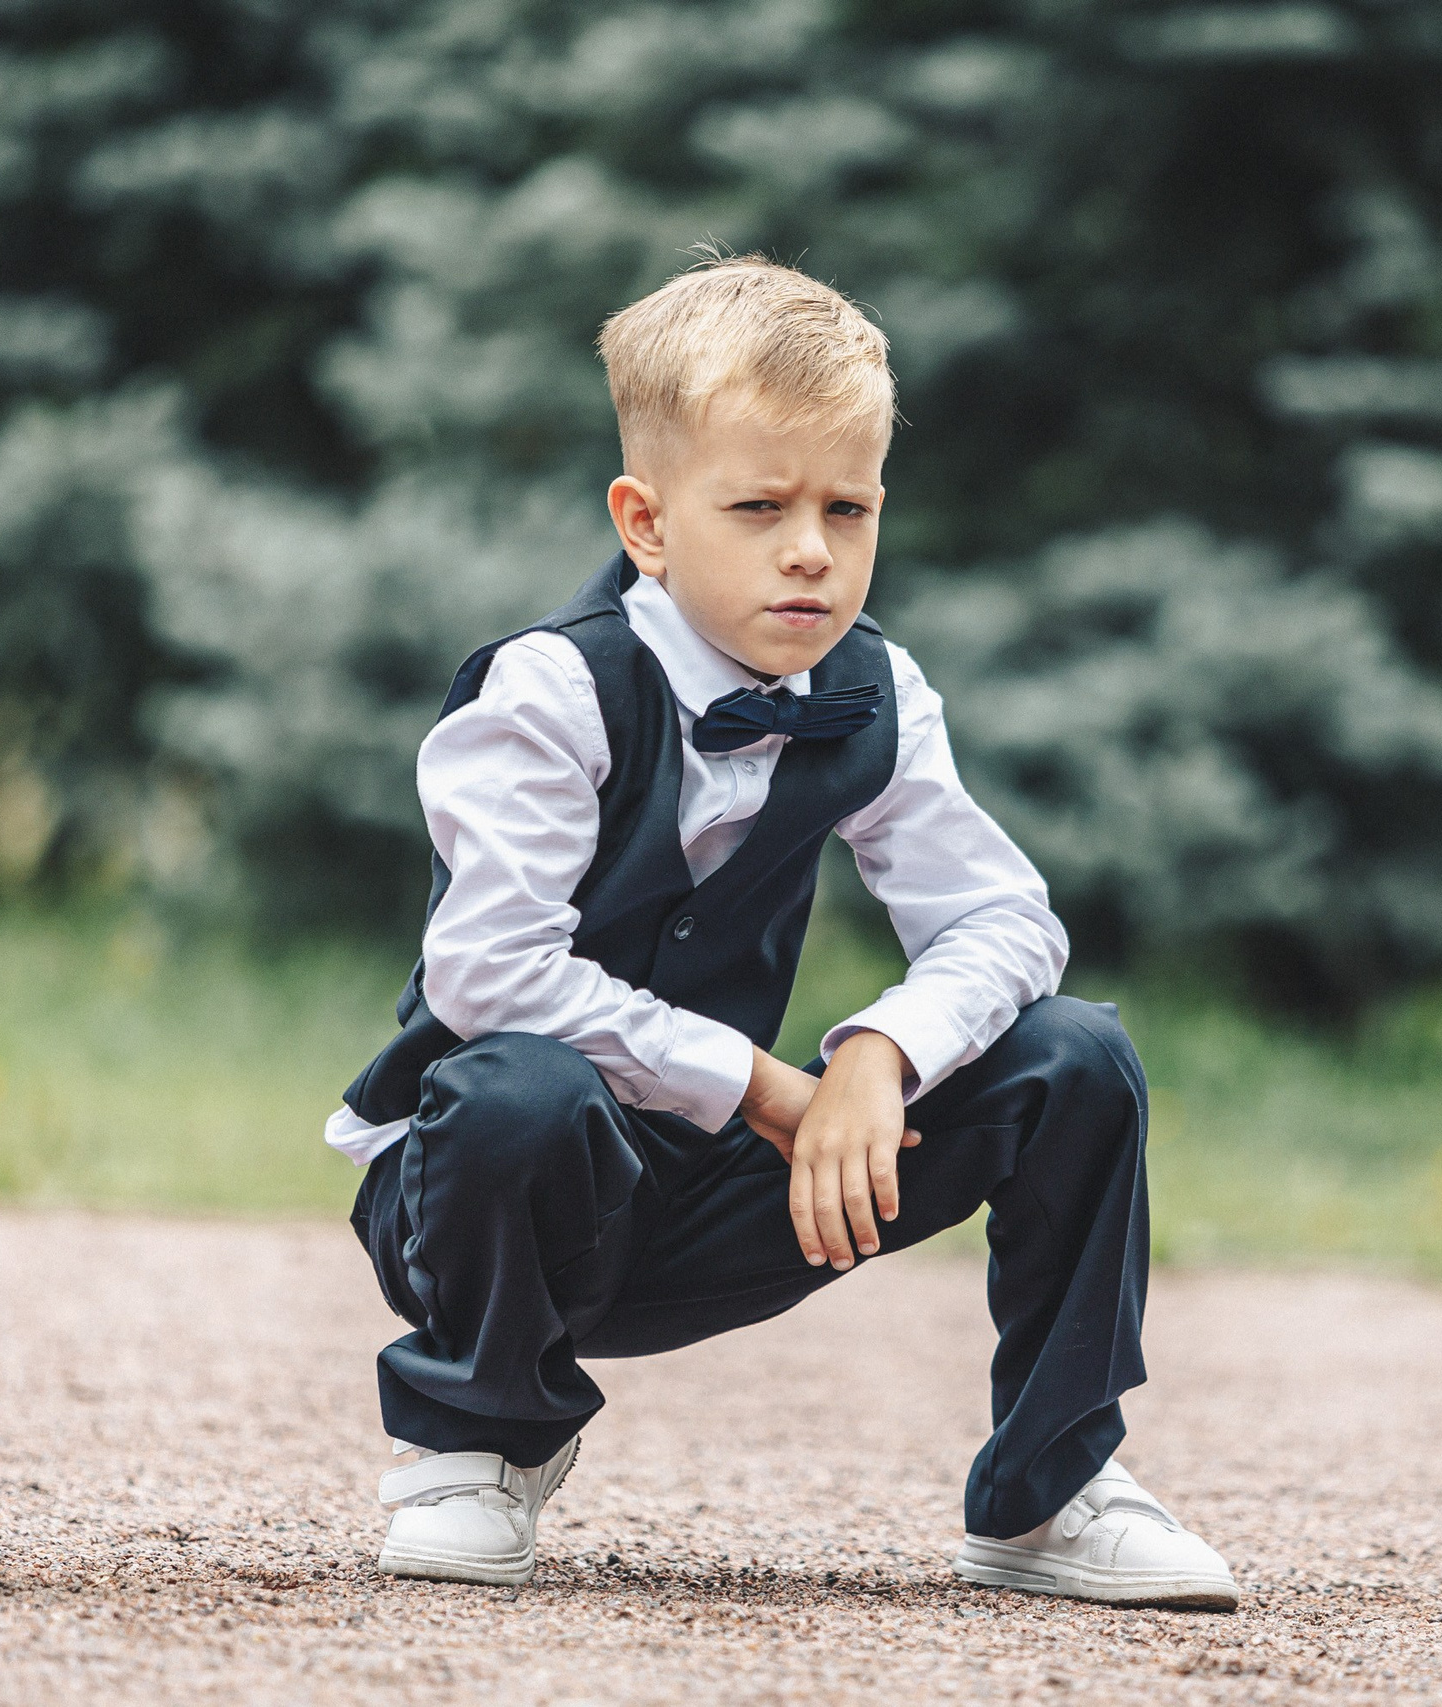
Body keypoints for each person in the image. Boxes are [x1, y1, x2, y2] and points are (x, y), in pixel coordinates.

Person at [324, 253, 1238, 1612]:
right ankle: (477, 1437)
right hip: (495, 1201)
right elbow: (486, 969)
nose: (811, 550)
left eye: (847, 507)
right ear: (645, 521)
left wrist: (878, 1055)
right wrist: (758, 1084)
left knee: (1074, 1056)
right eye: (758, 507)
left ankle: (1050, 1494)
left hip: (720, 1199)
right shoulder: (551, 689)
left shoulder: (873, 690)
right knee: (518, 1081)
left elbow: (1002, 915)